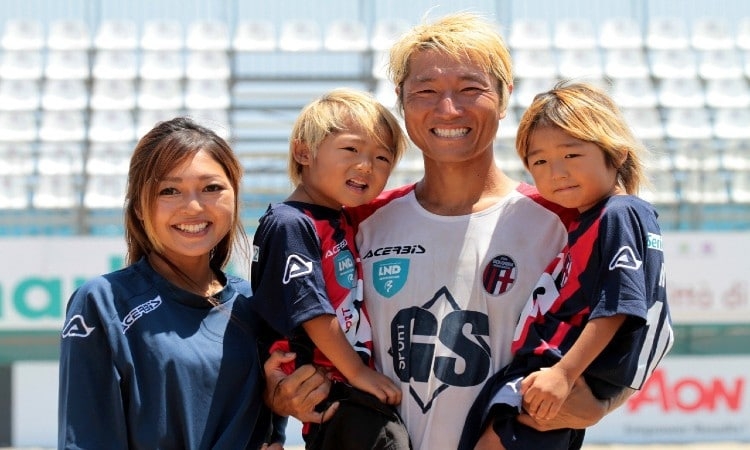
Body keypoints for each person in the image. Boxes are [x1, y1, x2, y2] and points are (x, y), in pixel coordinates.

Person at [267, 12, 634, 450]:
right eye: (425, 91)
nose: (448, 109)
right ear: (402, 102)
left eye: (469, 88)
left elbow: (639, 318)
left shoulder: (567, 221)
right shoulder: (355, 223)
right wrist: (279, 390)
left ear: (504, 95)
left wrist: (601, 402)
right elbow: (283, 320)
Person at [458, 82, 675, 450]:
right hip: (553, 375)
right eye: (539, 161)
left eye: (571, 155)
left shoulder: (621, 212)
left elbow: (620, 305)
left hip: (565, 376)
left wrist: (564, 372)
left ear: (617, 153)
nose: (556, 172)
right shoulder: (587, 219)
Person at [58, 117, 284, 449]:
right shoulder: (103, 303)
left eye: (211, 188)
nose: (193, 206)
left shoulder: (257, 303)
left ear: (235, 195)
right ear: (138, 206)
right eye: (169, 190)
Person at [250, 88, 412, 449]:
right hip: (327, 387)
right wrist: (357, 372)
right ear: (303, 151)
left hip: (345, 386)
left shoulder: (339, 218)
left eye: (382, 158)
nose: (366, 165)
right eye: (352, 149)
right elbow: (312, 311)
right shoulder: (290, 223)